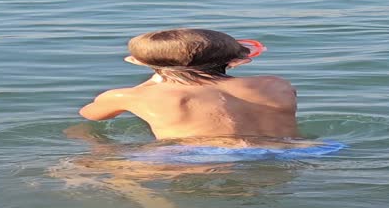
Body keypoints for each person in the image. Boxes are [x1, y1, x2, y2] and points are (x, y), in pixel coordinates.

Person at [79, 28, 299, 141]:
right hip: (294, 150)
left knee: (84, 168)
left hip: (194, 157)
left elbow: (91, 115)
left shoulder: (131, 96)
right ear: (239, 61)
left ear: (136, 62)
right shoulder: (276, 84)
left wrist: (150, 82)